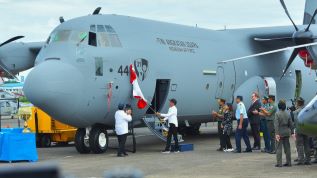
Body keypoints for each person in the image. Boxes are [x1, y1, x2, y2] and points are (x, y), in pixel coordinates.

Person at [274, 100, 295, 167]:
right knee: (287, 148)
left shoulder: (277, 114)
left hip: (279, 132)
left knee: (279, 148)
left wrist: (277, 133)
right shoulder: (288, 114)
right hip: (286, 132)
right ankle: (289, 162)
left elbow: (276, 125)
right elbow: (291, 124)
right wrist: (292, 132)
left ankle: (279, 163)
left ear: (279, 106)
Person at [293, 97, 311, 165]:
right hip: (306, 129)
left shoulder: (296, 112)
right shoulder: (307, 110)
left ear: (298, 103)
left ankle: (301, 160)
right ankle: (308, 160)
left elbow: (295, 121)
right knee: (306, 144)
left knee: (300, 145)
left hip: (299, 130)